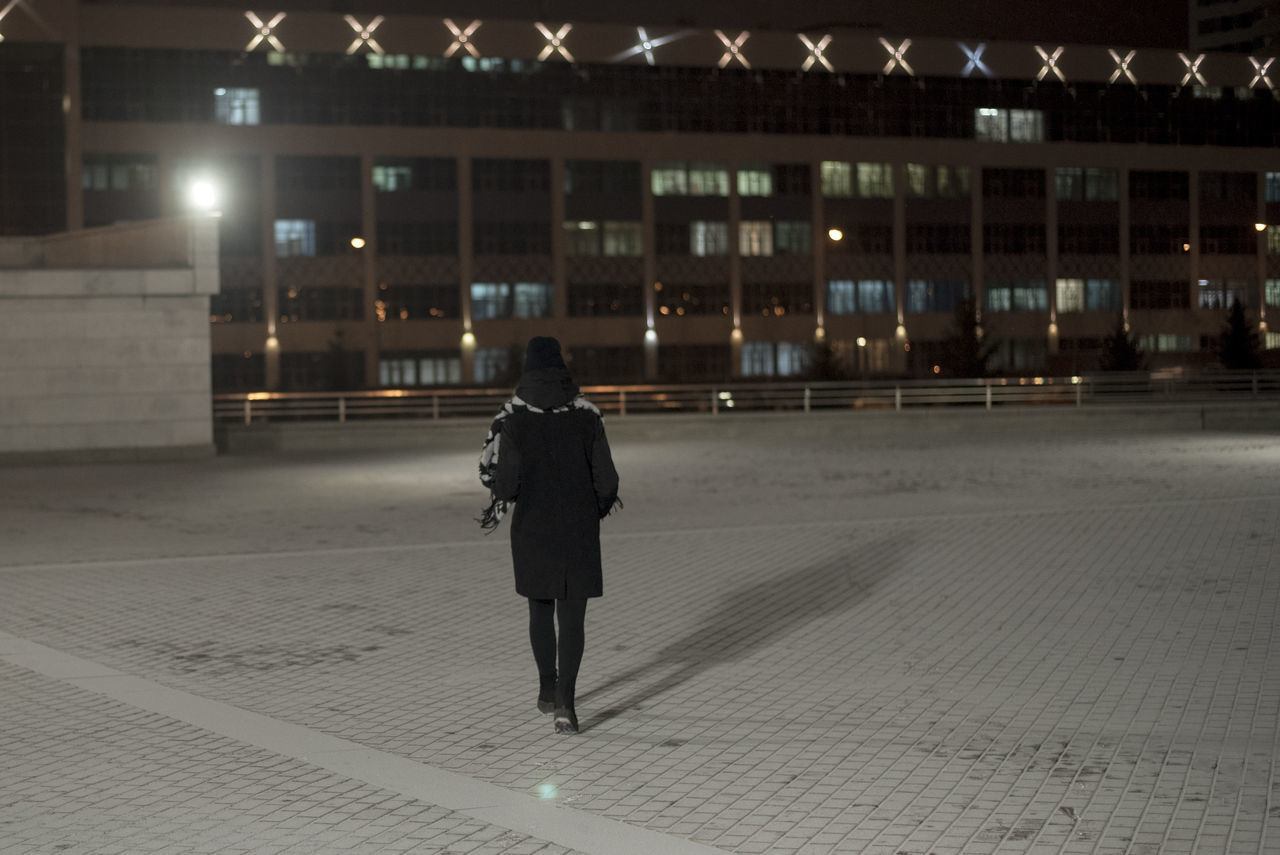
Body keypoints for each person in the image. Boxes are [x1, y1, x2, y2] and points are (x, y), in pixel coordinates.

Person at [478, 336, 620, 734]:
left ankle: (545, 688)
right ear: (562, 367)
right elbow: (608, 481)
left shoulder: (514, 419)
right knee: (572, 619)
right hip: (577, 529)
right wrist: (590, 511)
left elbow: (506, 485)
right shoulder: (587, 416)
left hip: (533, 528)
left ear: (528, 368)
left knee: (539, 610)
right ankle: (565, 705)